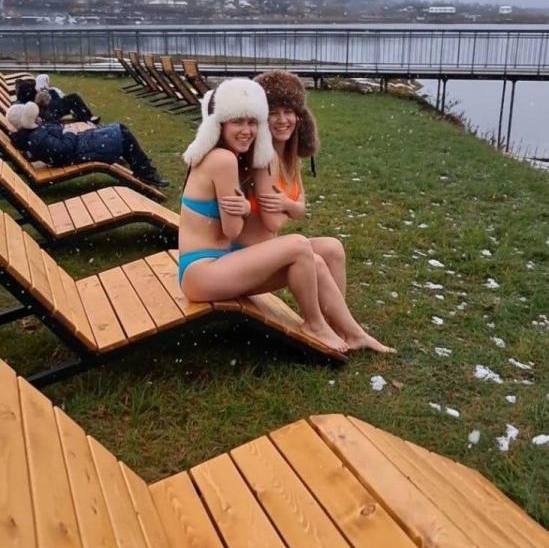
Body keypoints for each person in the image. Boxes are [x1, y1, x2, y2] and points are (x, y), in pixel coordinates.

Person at [179, 76, 354, 354]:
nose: (246, 130)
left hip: (218, 265)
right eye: (238, 122)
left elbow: (250, 218)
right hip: (201, 273)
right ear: (220, 124)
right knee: (298, 245)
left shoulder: (225, 157)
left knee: (325, 251)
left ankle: (345, 329)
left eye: (252, 122)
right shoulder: (223, 160)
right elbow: (233, 230)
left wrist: (249, 207)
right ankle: (316, 325)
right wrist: (248, 209)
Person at [239, 69, 394, 354]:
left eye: (289, 111)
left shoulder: (289, 157)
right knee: (315, 260)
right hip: (245, 260)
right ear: (261, 117)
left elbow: (300, 209)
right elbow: (273, 220)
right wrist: (290, 208)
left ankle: (339, 327)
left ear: (300, 116)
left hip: (269, 250)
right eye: (273, 113)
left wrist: (288, 205)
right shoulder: (264, 157)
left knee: (333, 248)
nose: (283, 120)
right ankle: (336, 329)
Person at [6, 101, 168, 187]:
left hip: (80, 145)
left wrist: (62, 130)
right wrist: (69, 132)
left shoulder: (33, 135)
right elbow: (63, 150)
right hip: (80, 150)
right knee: (121, 133)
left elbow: (55, 136)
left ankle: (141, 167)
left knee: (118, 130)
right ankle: (145, 172)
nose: (37, 118)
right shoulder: (36, 138)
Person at [15, 75, 100, 124]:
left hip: (47, 110)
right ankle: (87, 118)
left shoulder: (29, 93)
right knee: (73, 98)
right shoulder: (38, 92)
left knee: (69, 98)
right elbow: (45, 101)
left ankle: (85, 116)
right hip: (49, 111)